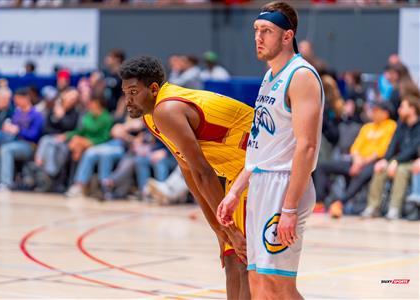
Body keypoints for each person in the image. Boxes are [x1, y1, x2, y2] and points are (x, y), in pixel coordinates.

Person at [120, 55, 253, 299]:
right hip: (238, 171)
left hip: (259, 166)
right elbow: (188, 171)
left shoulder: (166, 109)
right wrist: (218, 229)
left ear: (153, 88)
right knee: (231, 258)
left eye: (133, 92)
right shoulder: (151, 115)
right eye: (125, 93)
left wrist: (231, 230)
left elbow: (203, 172)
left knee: (244, 261)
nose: (128, 100)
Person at [217, 2, 323, 299]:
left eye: (267, 31)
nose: (258, 38)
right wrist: (235, 190)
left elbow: (307, 145)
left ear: (287, 36)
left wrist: (289, 207)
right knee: (259, 286)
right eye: (256, 31)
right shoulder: (269, 76)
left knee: (279, 288)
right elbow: (259, 145)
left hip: (284, 185)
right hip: (262, 184)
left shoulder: (301, 76)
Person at [315, 101, 397, 218]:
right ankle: (319, 202)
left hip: (374, 162)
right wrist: (357, 160)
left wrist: (361, 163)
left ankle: (339, 203)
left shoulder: (391, 126)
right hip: (357, 161)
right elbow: (355, 147)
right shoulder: (367, 126)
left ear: (385, 113)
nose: (372, 113)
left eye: (376, 110)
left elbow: (382, 150)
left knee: (361, 175)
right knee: (322, 166)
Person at [362, 94, 420, 220]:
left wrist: (395, 161)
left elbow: (413, 150)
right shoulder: (401, 125)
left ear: (412, 109)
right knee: (380, 168)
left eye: (402, 106)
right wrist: (385, 160)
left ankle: (394, 209)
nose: (399, 109)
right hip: (397, 161)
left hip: (413, 162)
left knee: (401, 170)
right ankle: (373, 207)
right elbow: (392, 144)